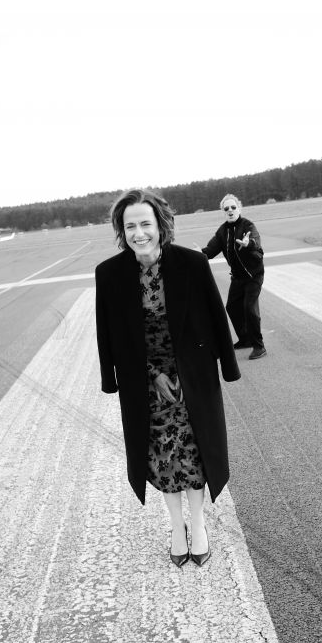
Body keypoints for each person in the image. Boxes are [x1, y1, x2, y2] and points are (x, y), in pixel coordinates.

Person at [95, 189, 240, 568]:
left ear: (161, 225)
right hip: (144, 385)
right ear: (121, 230)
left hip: (192, 378)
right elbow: (109, 335)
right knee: (160, 458)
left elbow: (214, 316)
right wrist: (135, 376)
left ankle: (199, 524)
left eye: (145, 224)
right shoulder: (108, 275)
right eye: (130, 226)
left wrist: (228, 366)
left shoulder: (191, 264)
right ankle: (177, 528)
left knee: (195, 454)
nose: (138, 232)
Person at [198, 194, 266, 360]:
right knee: (232, 307)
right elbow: (210, 251)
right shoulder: (222, 231)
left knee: (250, 309)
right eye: (226, 208)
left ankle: (259, 346)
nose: (230, 210)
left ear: (239, 208)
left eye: (233, 207)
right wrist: (196, 255)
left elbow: (256, 243)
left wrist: (248, 244)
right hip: (237, 278)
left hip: (253, 275)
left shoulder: (248, 225)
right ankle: (245, 339)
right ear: (223, 211)